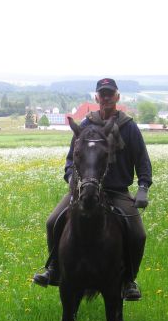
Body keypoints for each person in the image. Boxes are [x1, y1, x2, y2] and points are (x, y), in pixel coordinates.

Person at [33, 78, 152, 301]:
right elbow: (70, 160)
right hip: (83, 190)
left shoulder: (129, 128)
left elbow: (143, 161)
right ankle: (55, 269)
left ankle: (128, 281)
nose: (106, 98)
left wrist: (143, 187)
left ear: (117, 97)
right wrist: (72, 178)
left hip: (116, 192)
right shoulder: (85, 126)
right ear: (96, 98)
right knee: (52, 221)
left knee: (138, 234)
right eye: (102, 94)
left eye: (110, 94)